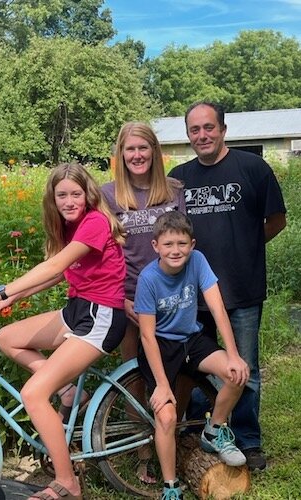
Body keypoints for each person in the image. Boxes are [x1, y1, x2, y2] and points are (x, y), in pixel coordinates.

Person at [0, 163, 127, 500]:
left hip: (101, 317)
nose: (69, 201)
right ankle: (69, 393)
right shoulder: (69, 227)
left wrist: (0, 291)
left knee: (34, 394)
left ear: (88, 194)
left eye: (75, 193)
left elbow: (54, 266)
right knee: (7, 338)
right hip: (77, 310)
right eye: (61, 195)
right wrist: (12, 298)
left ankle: (67, 482)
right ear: (52, 199)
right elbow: (58, 275)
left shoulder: (95, 222)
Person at [168, 101, 287, 471]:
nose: (202, 135)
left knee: (243, 368)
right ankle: (202, 430)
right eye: (194, 130)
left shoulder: (253, 168)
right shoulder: (178, 178)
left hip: (241, 288)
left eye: (209, 127)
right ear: (188, 134)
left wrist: (245, 249)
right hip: (192, 294)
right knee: (197, 367)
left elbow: (276, 220)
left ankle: (248, 440)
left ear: (223, 129)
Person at [134, 211, 250, 500]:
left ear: (193, 244)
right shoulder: (148, 279)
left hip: (191, 338)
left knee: (237, 374)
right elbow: (147, 335)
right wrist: (161, 384)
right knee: (168, 416)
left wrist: (233, 354)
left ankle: (213, 430)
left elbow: (217, 309)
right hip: (159, 345)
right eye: (169, 244)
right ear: (155, 246)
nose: (176, 250)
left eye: (182, 243)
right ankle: (171, 486)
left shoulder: (197, 261)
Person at [101, 121, 185, 483]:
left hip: (172, 299)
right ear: (120, 155)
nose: (137, 155)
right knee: (134, 378)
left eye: (143, 148)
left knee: (174, 374)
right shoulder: (107, 196)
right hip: (131, 299)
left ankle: (174, 442)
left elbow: (184, 245)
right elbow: (105, 253)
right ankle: (142, 453)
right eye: (130, 149)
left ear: (154, 152)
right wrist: (121, 299)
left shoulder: (174, 191)